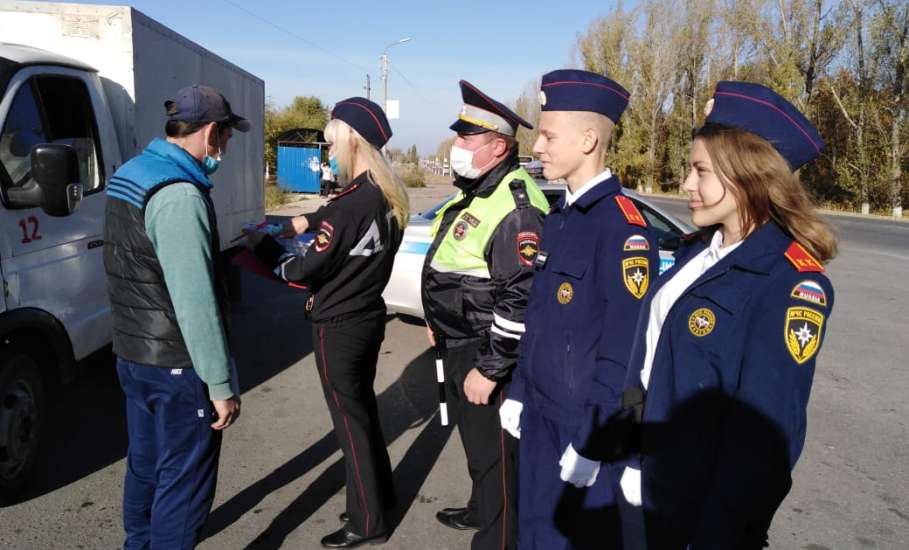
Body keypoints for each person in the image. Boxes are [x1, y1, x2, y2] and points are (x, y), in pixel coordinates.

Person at [617, 81, 837, 548]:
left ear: (747, 174)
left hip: (696, 517)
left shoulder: (790, 282)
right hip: (646, 482)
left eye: (701, 170)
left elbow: (764, 442)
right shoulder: (699, 250)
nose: (686, 185)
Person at [498, 69, 660, 549]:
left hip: (579, 423)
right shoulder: (560, 218)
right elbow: (540, 320)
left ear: (588, 139)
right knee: (532, 535)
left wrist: (595, 440)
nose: (539, 147)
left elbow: (623, 348)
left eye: (548, 135)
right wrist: (521, 390)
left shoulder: (622, 229)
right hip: (541, 414)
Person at [247, 97, 408, 548]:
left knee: (350, 425)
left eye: (332, 140)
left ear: (353, 140)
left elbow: (301, 270)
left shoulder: (349, 205)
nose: (329, 150)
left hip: (337, 325)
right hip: (366, 318)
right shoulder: (383, 196)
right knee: (364, 416)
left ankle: (367, 522)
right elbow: (337, 224)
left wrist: (263, 246)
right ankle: (379, 499)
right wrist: (305, 220)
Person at [104, 84, 248, 549]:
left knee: (146, 465)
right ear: (210, 132)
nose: (224, 148)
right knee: (183, 484)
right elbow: (195, 300)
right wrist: (220, 385)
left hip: (132, 350)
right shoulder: (180, 195)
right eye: (225, 137)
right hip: (176, 362)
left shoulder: (131, 171)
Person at [422, 80, 548, 550]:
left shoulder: (516, 205)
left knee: (497, 462)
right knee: (479, 453)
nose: (456, 146)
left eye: (466, 138)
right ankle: (481, 508)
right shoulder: (475, 191)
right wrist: (440, 324)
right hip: (460, 343)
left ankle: (497, 537)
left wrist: (491, 367)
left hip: (486, 355)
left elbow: (521, 298)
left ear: (498, 146)